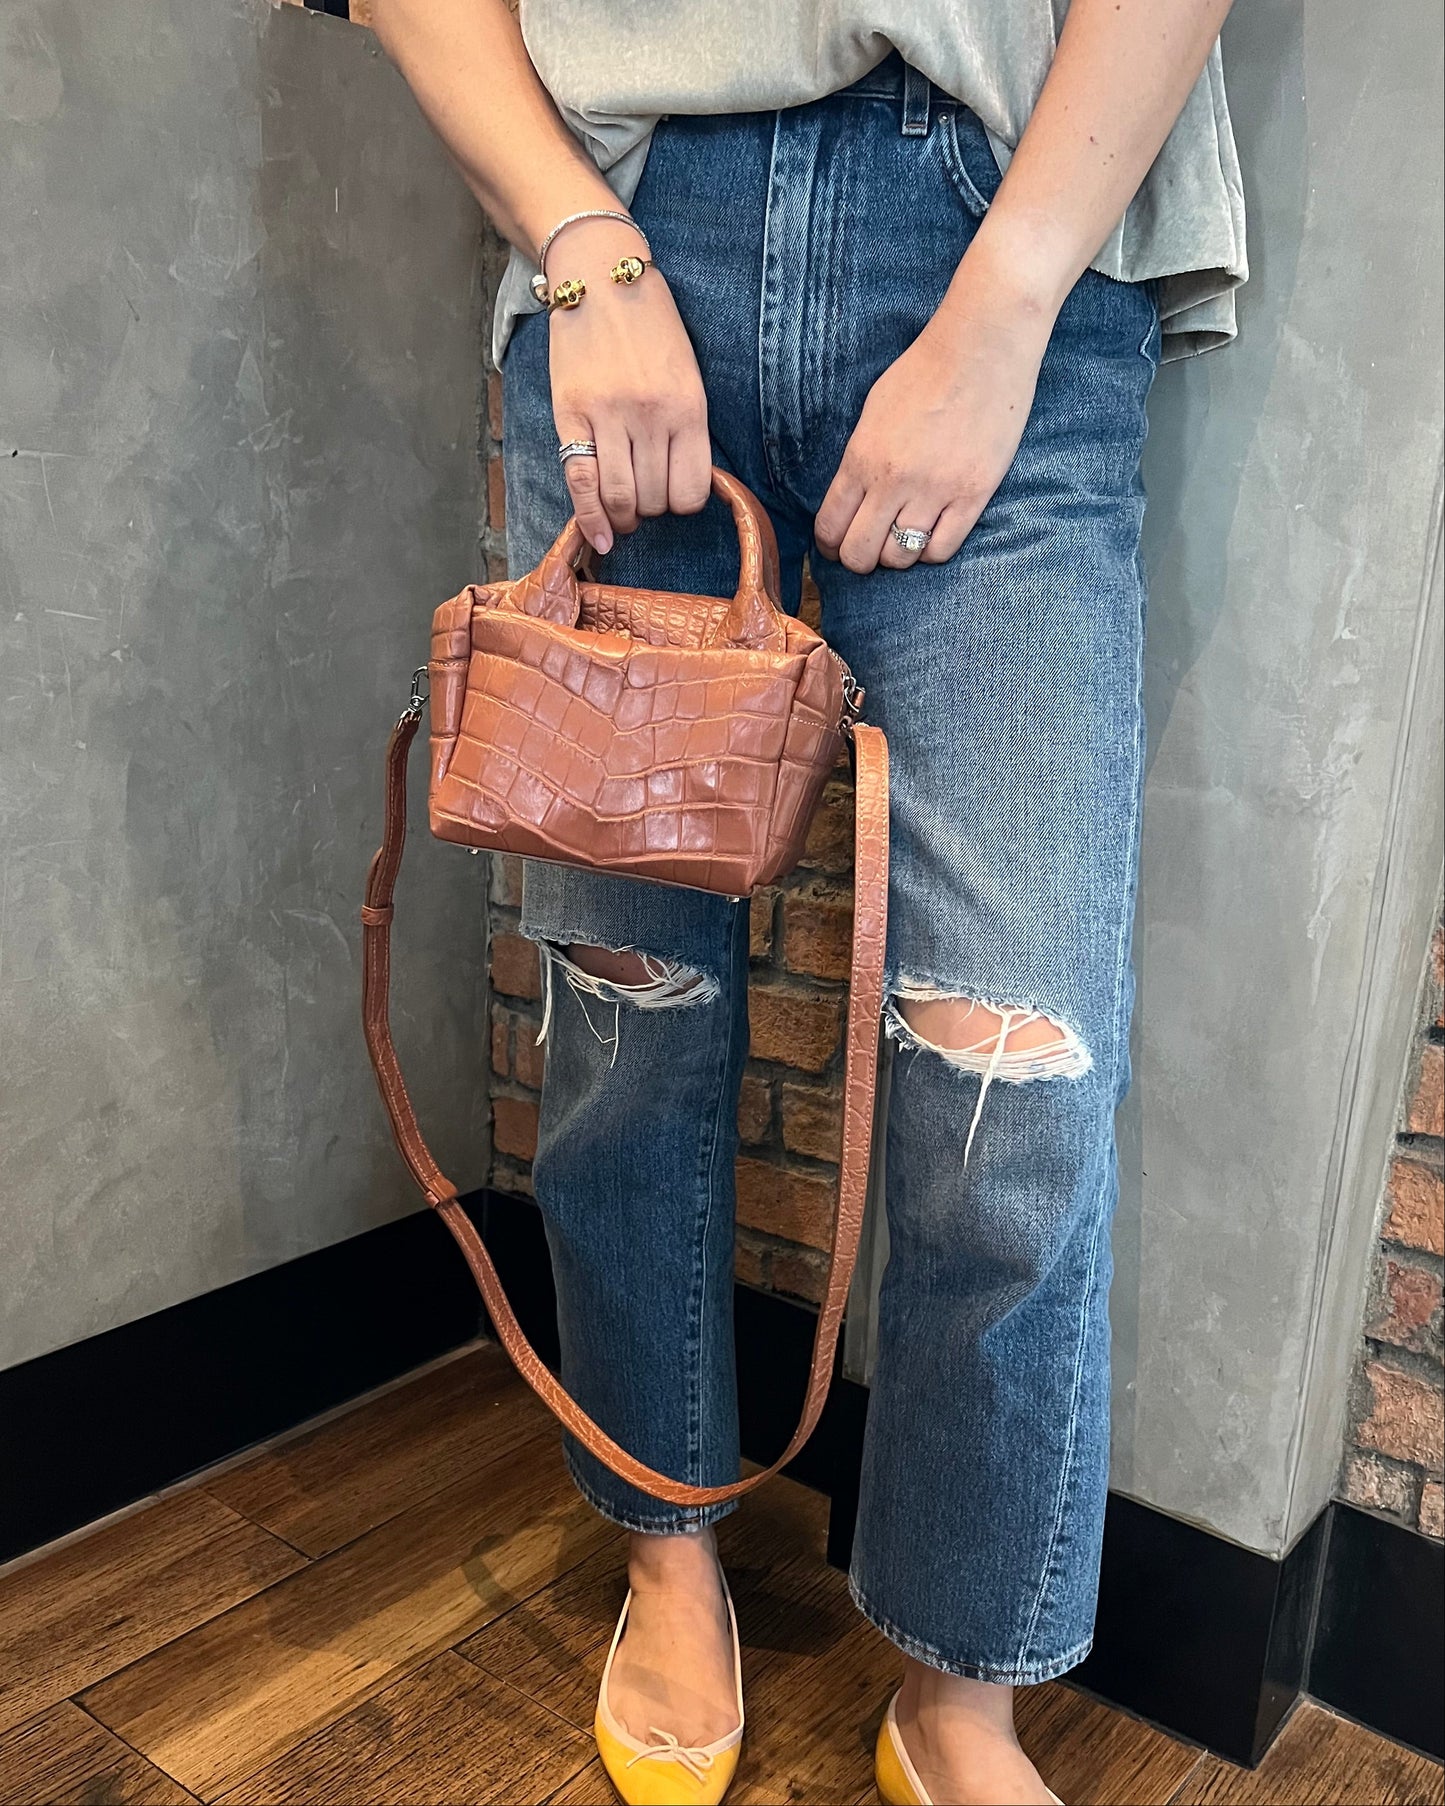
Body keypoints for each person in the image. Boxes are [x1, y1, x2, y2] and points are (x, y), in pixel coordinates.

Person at [369, 5, 1246, 1802]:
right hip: (628, 231)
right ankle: (668, 1554)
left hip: (1009, 223)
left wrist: (1003, 309)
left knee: (1019, 1063)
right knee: (628, 1006)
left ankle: (955, 1681)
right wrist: (581, 248)